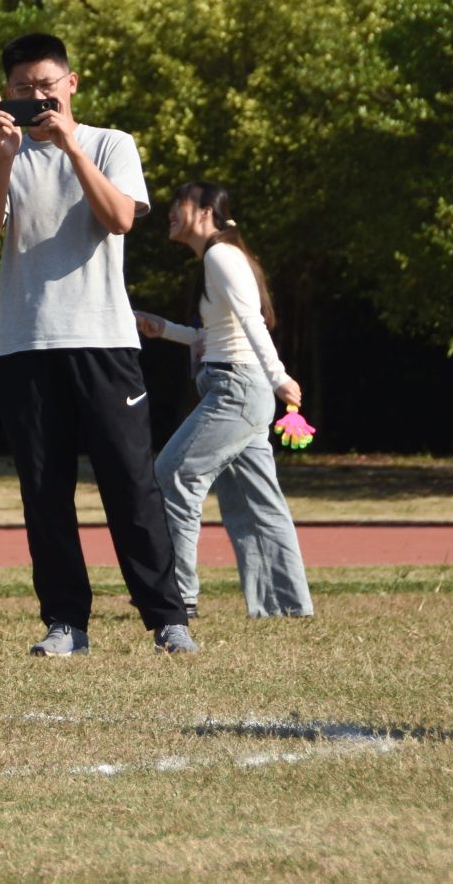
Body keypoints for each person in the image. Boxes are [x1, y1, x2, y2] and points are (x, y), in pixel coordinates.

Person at [0, 32, 193, 656]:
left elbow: (119, 219)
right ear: (6, 94)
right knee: (44, 492)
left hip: (104, 341)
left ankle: (167, 618)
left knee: (130, 483)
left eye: (47, 85)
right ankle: (66, 622)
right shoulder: (0, 158)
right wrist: (6, 158)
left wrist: (70, 146)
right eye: (23, 88)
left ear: (71, 83)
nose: (37, 96)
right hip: (24, 345)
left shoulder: (110, 143)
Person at [137, 181, 315, 619]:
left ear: (204, 212)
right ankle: (286, 606)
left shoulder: (220, 256)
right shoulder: (219, 257)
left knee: (173, 473)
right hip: (238, 387)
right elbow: (215, 336)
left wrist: (279, 377)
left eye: (179, 204)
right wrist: (164, 328)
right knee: (255, 504)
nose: (170, 212)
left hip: (238, 390)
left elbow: (252, 321)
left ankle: (179, 597)